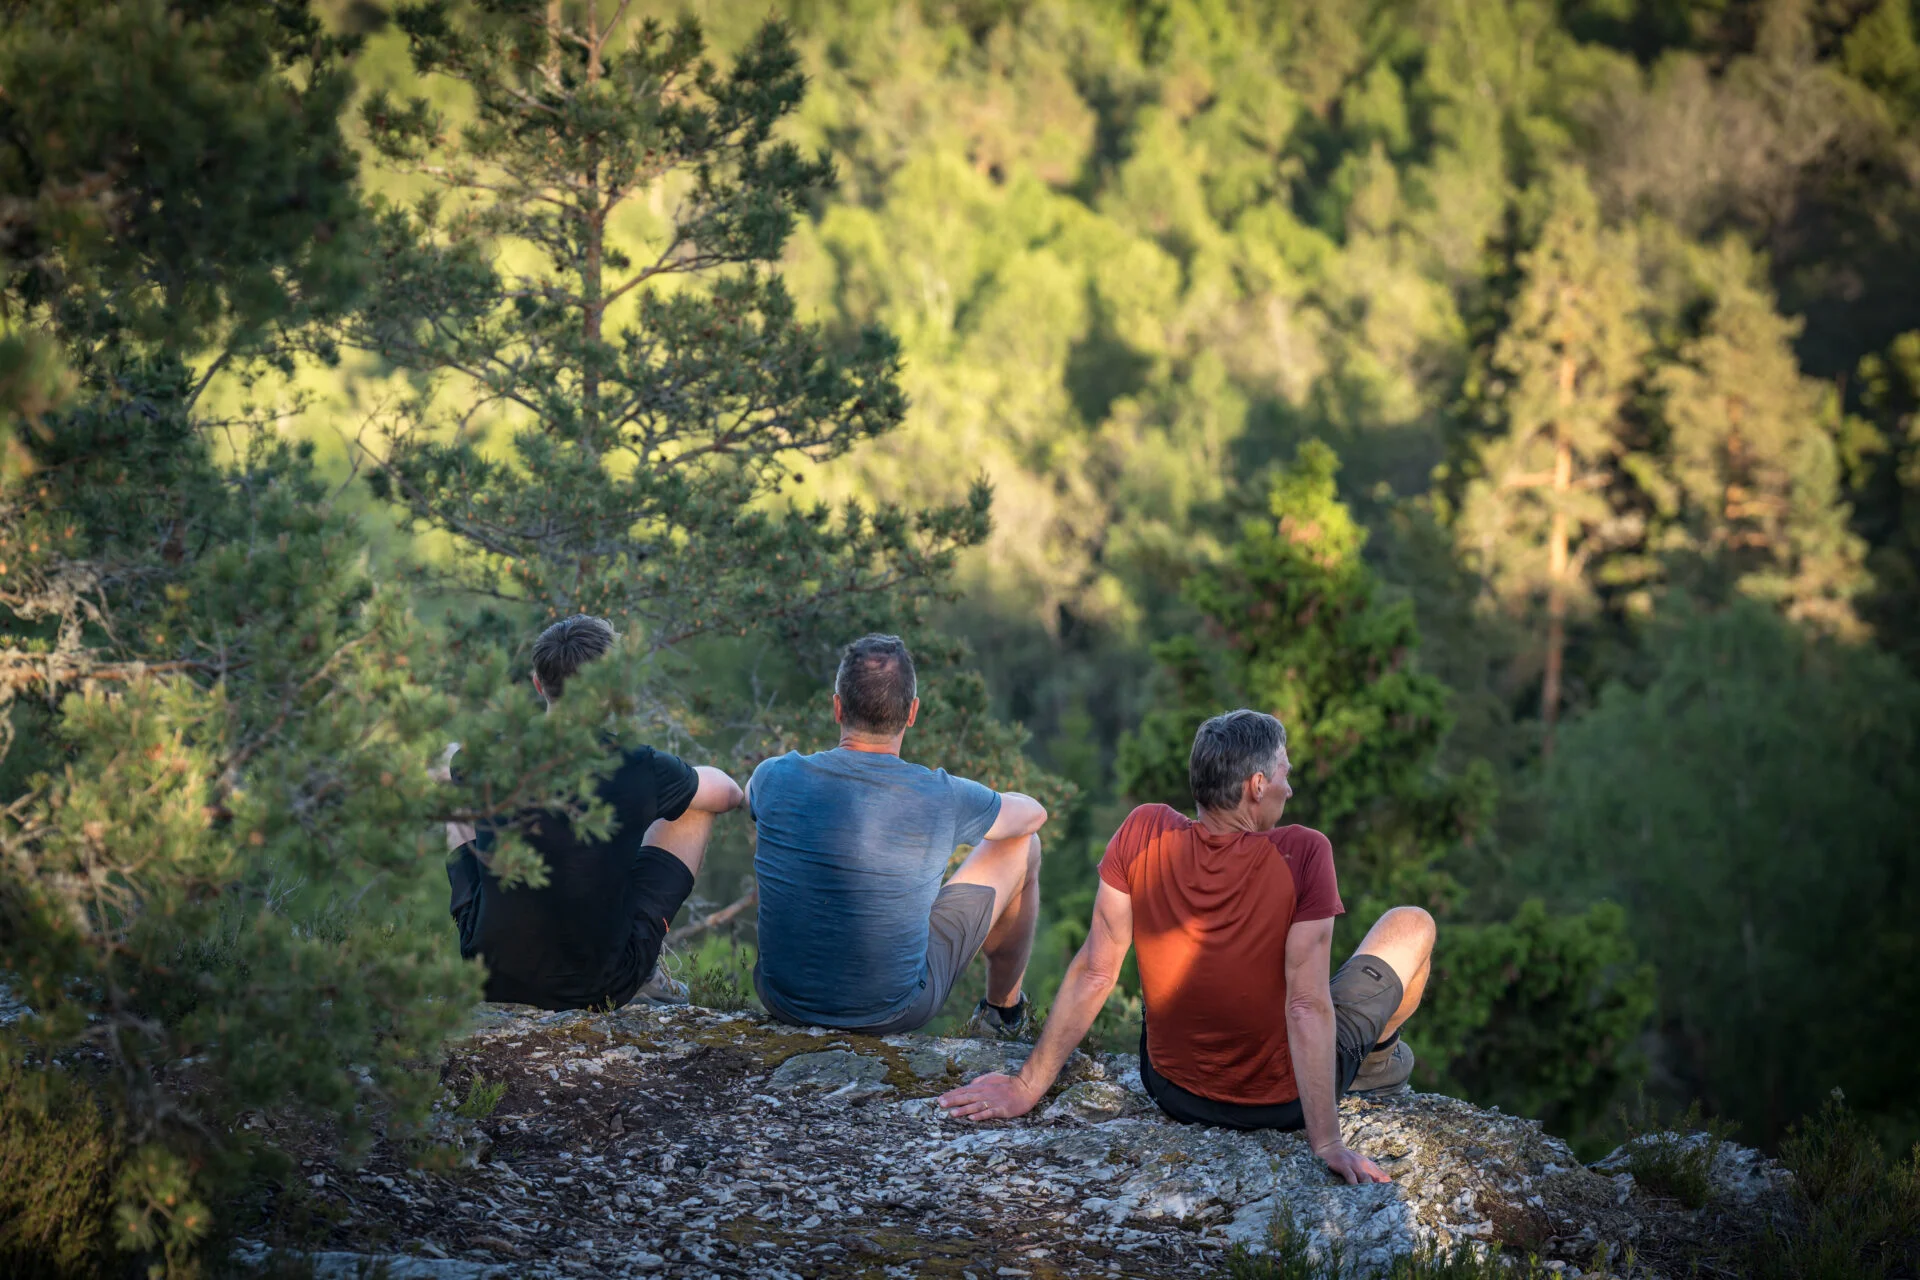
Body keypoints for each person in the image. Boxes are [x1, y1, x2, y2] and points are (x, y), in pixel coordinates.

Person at [938, 709, 1435, 1185]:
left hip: (1171, 1090)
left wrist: (1027, 1087)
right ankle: (1375, 1065)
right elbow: (1305, 1005)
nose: (1290, 785)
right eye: (1285, 772)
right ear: (1257, 786)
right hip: (1280, 1104)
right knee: (1412, 924)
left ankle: (1372, 1064)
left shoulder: (1141, 829)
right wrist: (1326, 1142)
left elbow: (1095, 969)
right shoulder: (1303, 851)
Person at [749, 634, 1050, 1036]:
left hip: (781, 999)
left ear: (837, 707)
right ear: (912, 713)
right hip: (892, 1010)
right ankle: (1003, 1016)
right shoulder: (941, 794)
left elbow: (748, 798)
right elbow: (1034, 815)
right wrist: (989, 801)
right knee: (1026, 846)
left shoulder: (773, 774)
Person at [446, 614, 744, 1011]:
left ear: (538, 684)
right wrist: (680, 781)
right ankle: (645, 971)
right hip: (598, 986)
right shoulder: (640, 765)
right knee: (693, 808)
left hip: (490, 974)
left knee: (460, 790)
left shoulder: (488, 755)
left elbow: (452, 763)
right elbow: (729, 794)